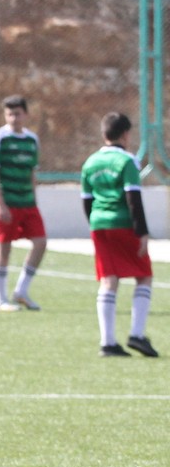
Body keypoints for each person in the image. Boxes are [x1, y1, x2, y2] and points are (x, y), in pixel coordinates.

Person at [80, 112, 157, 358]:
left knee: (108, 279)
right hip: (123, 223)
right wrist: (142, 231)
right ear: (126, 134)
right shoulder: (127, 161)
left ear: (104, 134)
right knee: (143, 276)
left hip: (99, 224)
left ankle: (108, 343)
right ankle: (136, 334)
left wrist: (95, 224)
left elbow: (87, 201)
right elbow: (133, 197)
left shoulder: (90, 162)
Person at [0, 95, 43, 312]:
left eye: (17, 114)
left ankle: (21, 291)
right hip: (6, 202)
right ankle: (0, 299)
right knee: (4, 248)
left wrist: (34, 199)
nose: (13, 118)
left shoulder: (32, 140)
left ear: (26, 114)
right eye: (9, 114)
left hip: (27, 202)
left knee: (40, 242)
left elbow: (32, 172)